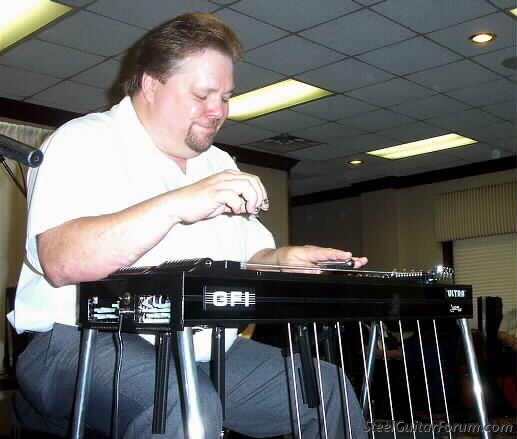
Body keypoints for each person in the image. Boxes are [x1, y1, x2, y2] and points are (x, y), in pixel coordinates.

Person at [8, 12, 368, 439]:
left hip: (199, 349)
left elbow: (252, 255)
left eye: (226, 97)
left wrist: (283, 260)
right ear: (150, 84)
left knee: (324, 389)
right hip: (76, 340)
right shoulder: (82, 140)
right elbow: (59, 261)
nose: (218, 111)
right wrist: (178, 204)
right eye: (202, 95)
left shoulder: (218, 163)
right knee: (182, 401)